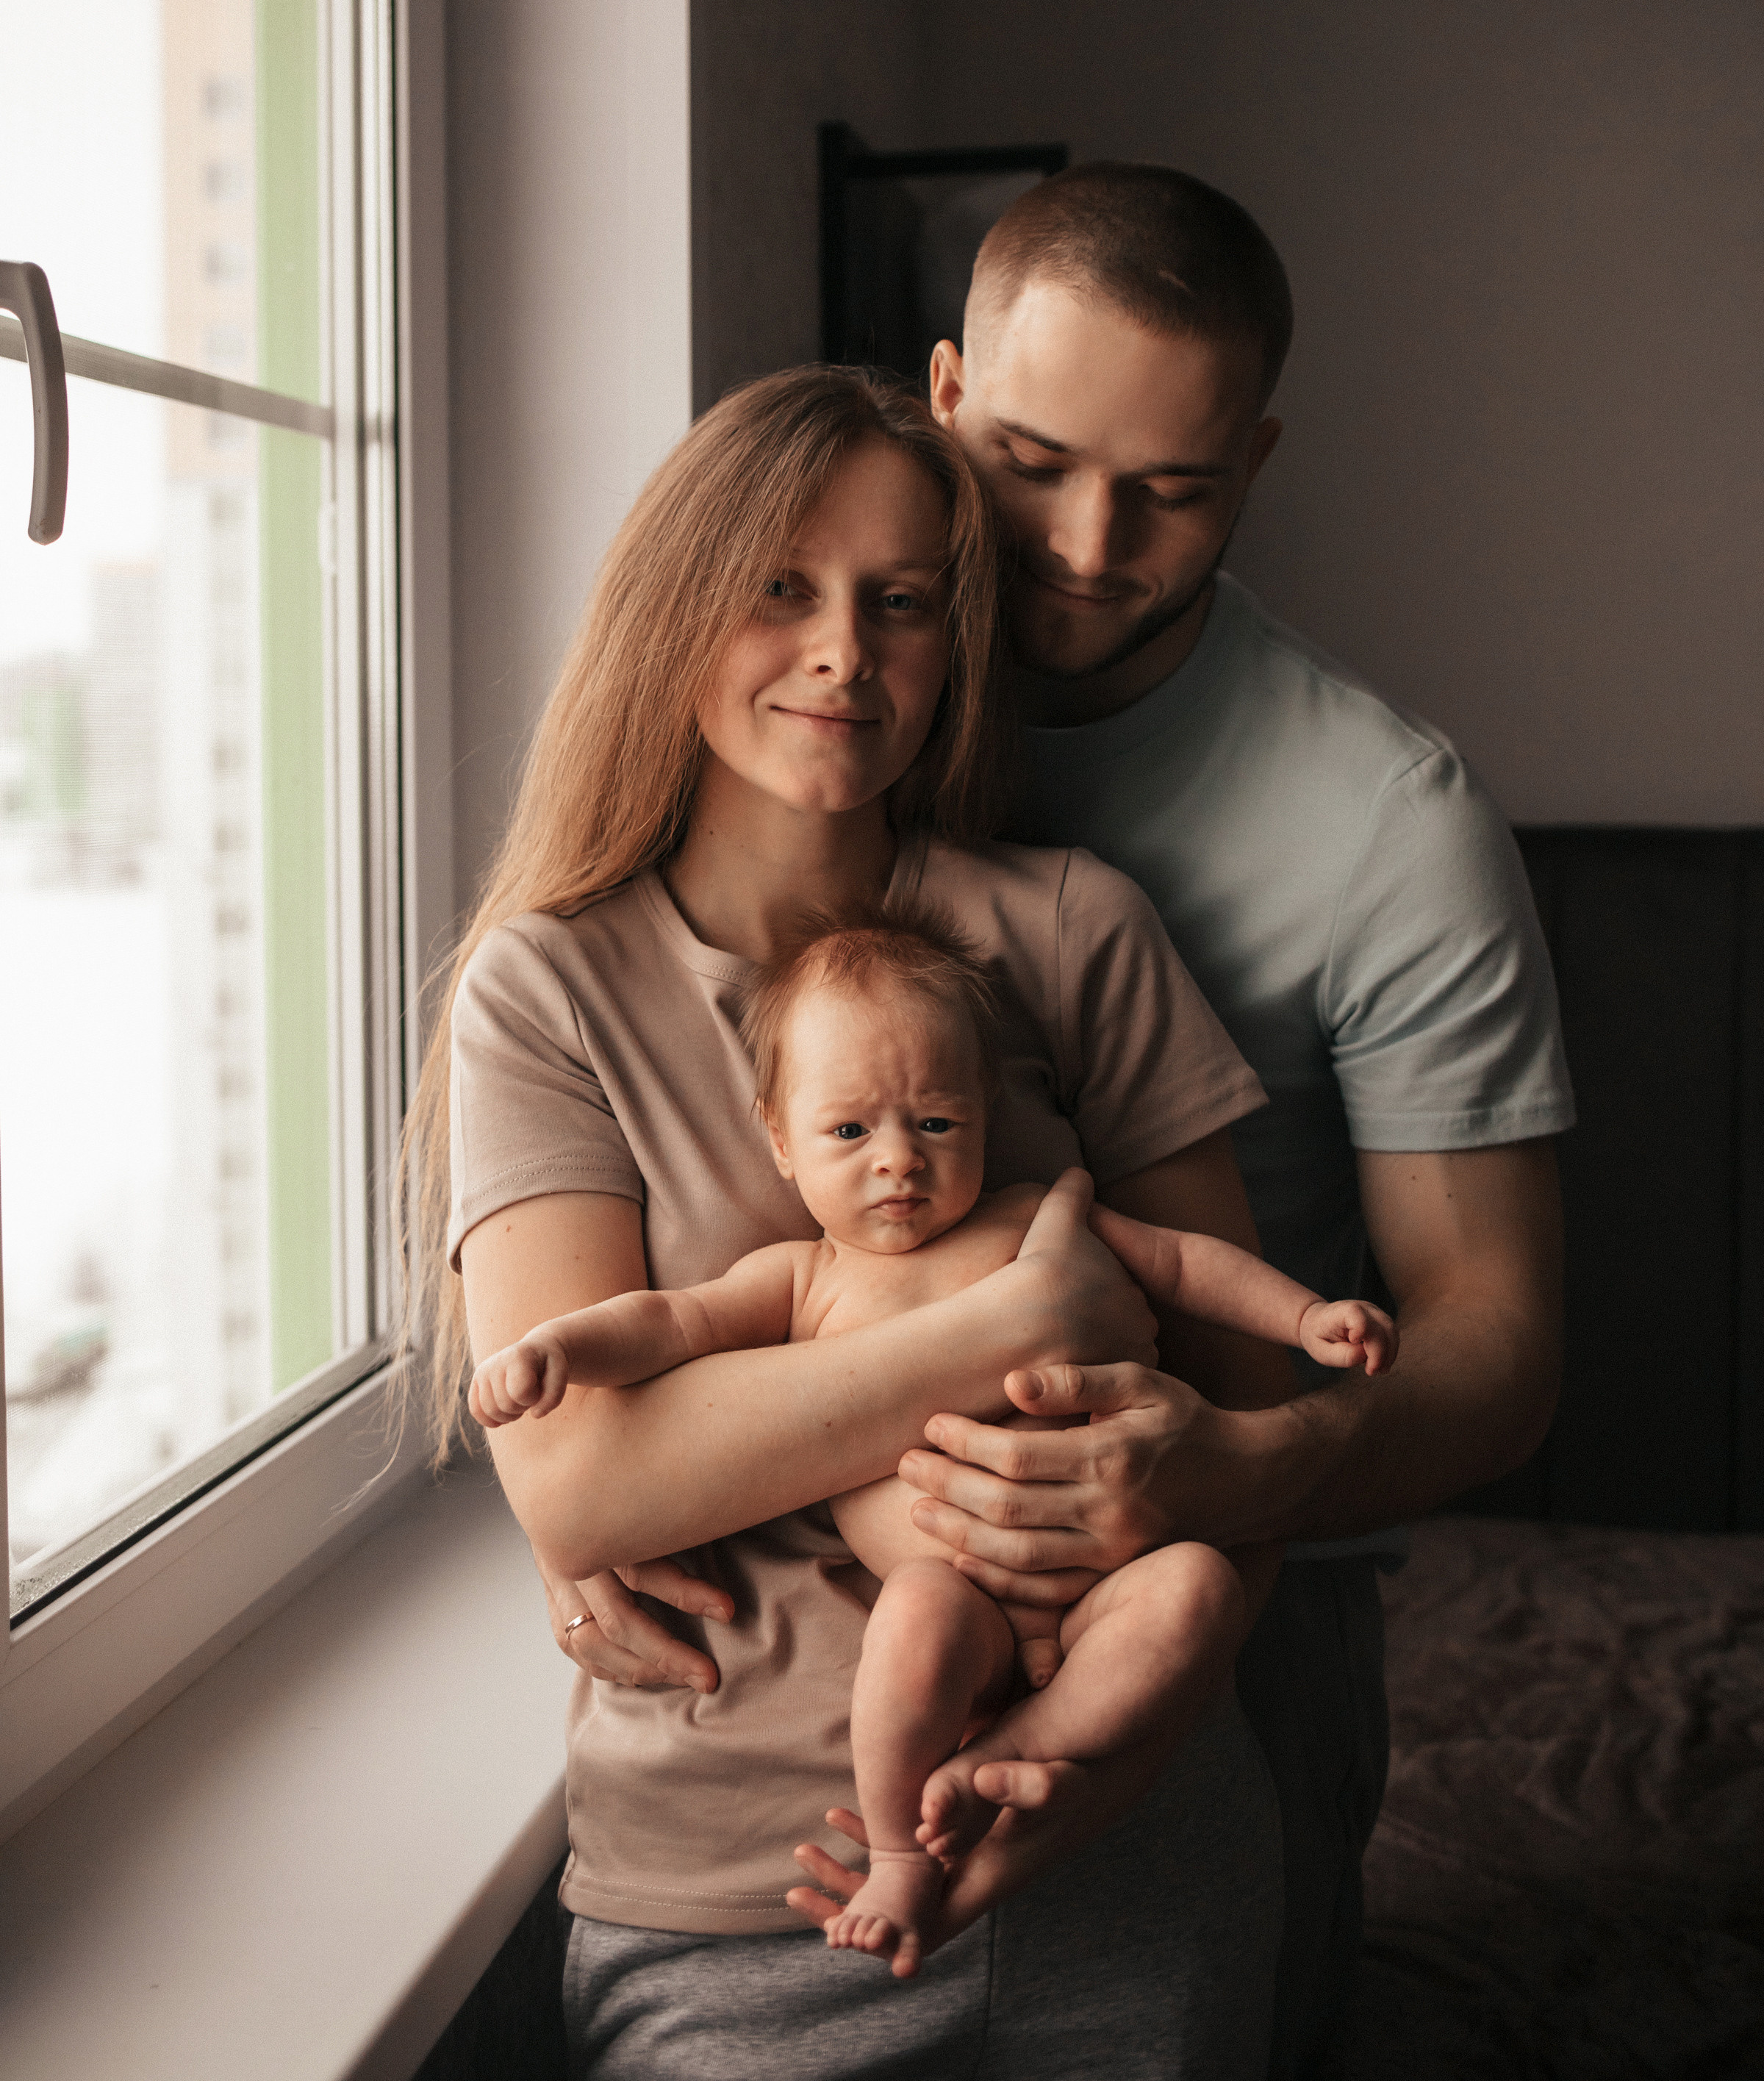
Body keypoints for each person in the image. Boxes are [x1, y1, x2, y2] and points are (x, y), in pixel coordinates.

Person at [406, 366, 1291, 2080]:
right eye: (780, 589)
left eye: (903, 604)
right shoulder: (549, 990)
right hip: (739, 1904)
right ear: (675, 608)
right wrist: (1013, 1325)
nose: (844, 654)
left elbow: (1245, 1441)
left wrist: (1133, 1728)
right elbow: (588, 1476)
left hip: (1127, 1853)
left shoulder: (1070, 929)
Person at [902, 161, 1574, 2075]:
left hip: (1244, 1623)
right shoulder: (814, 701)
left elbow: (1501, 1347)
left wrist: (1228, 1474)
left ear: (1255, 459)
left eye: (1171, 488)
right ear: (945, 393)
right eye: (1033, 460)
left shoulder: (1390, 821)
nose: (1088, 542)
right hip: (834, 1586)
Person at [467, 906, 1399, 1982]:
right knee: (907, 1628)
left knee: (1196, 1593)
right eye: (851, 1132)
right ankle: (903, 1850)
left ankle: (1022, 1752)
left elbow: (1187, 1266)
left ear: (986, 1120)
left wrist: (1302, 1321)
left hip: (1105, 1586)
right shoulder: (802, 1277)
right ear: (778, 1136)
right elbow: (668, 1325)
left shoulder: (1030, 1220)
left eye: (937, 1125)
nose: (899, 1162)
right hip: (954, 1599)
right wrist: (555, 1349)